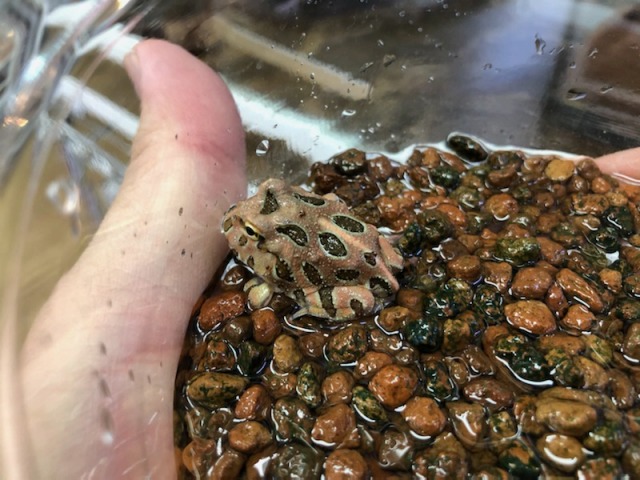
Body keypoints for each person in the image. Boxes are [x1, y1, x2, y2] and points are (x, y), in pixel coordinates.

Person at [14, 38, 640, 479]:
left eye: (253, 230)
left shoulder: (281, 255)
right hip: (372, 247)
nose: (239, 227)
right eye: (255, 223)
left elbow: (295, 277)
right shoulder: (283, 230)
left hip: (360, 276)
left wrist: (284, 290)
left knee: (328, 282)